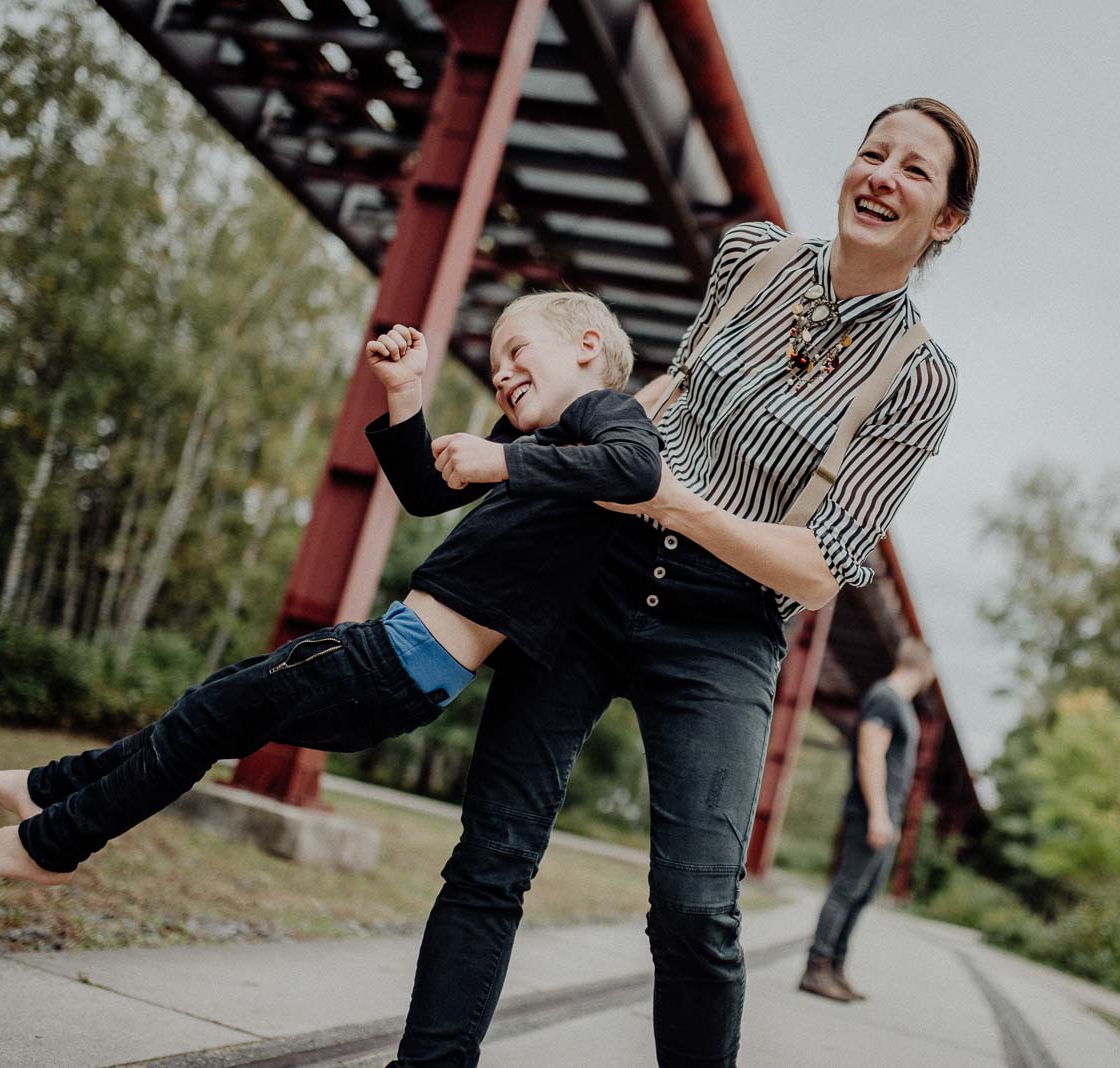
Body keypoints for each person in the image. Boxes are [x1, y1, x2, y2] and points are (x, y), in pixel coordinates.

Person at [390, 97, 979, 1067]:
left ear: (945, 219)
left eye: (915, 170)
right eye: (871, 152)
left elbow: (825, 565)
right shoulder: (748, 254)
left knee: (696, 912)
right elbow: (679, 385)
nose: (881, 175)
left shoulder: (920, 378)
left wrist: (673, 503)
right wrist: (566, 448)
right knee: (491, 856)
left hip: (725, 626)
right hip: (596, 570)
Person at [0, 292, 661, 885]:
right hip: (394, 664)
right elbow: (422, 489)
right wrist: (407, 393)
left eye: (517, 351)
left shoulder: (604, 418)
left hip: (392, 664)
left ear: (586, 348)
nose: (502, 374)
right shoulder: (541, 449)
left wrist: (499, 464)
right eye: (498, 362)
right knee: (209, 712)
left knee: (208, 713)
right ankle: (50, 789)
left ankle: (48, 844)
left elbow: (638, 472)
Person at [799, 638, 934, 1002]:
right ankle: (817, 967)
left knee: (863, 893)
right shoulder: (885, 698)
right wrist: (878, 813)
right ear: (924, 669)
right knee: (847, 889)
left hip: (885, 815)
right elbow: (870, 755)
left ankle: (836, 967)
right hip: (870, 812)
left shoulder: (898, 704)